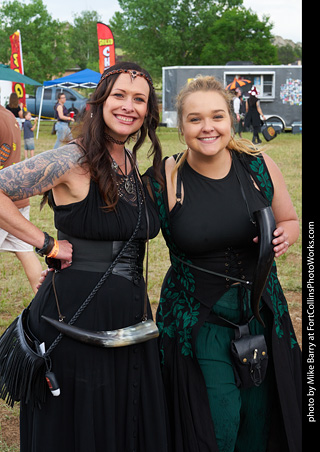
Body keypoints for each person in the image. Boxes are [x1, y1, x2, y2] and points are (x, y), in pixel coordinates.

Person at [0, 62, 170, 452]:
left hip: (130, 318)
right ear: (100, 101)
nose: (129, 106)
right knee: (79, 424)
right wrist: (44, 242)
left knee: (122, 418)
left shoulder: (130, 164)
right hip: (74, 318)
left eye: (139, 99)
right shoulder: (72, 160)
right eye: (119, 96)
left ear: (148, 111)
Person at [146, 76, 301, 452]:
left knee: (259, 420)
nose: (207, 127)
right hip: (198, 321)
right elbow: (124, 230)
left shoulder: (258, 166)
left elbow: (292, 221)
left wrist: (285, 235)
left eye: (217, 116)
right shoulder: (164, 177)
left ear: (230, 119)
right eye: (195, 119)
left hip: (262, 311)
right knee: (219, 421)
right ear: (180, 126)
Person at [0, 105, 43, 294]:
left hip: (3, 203)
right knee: (25, 252)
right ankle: (47, 305)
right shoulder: (8, 115)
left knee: (25, 251)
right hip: (17, 198)